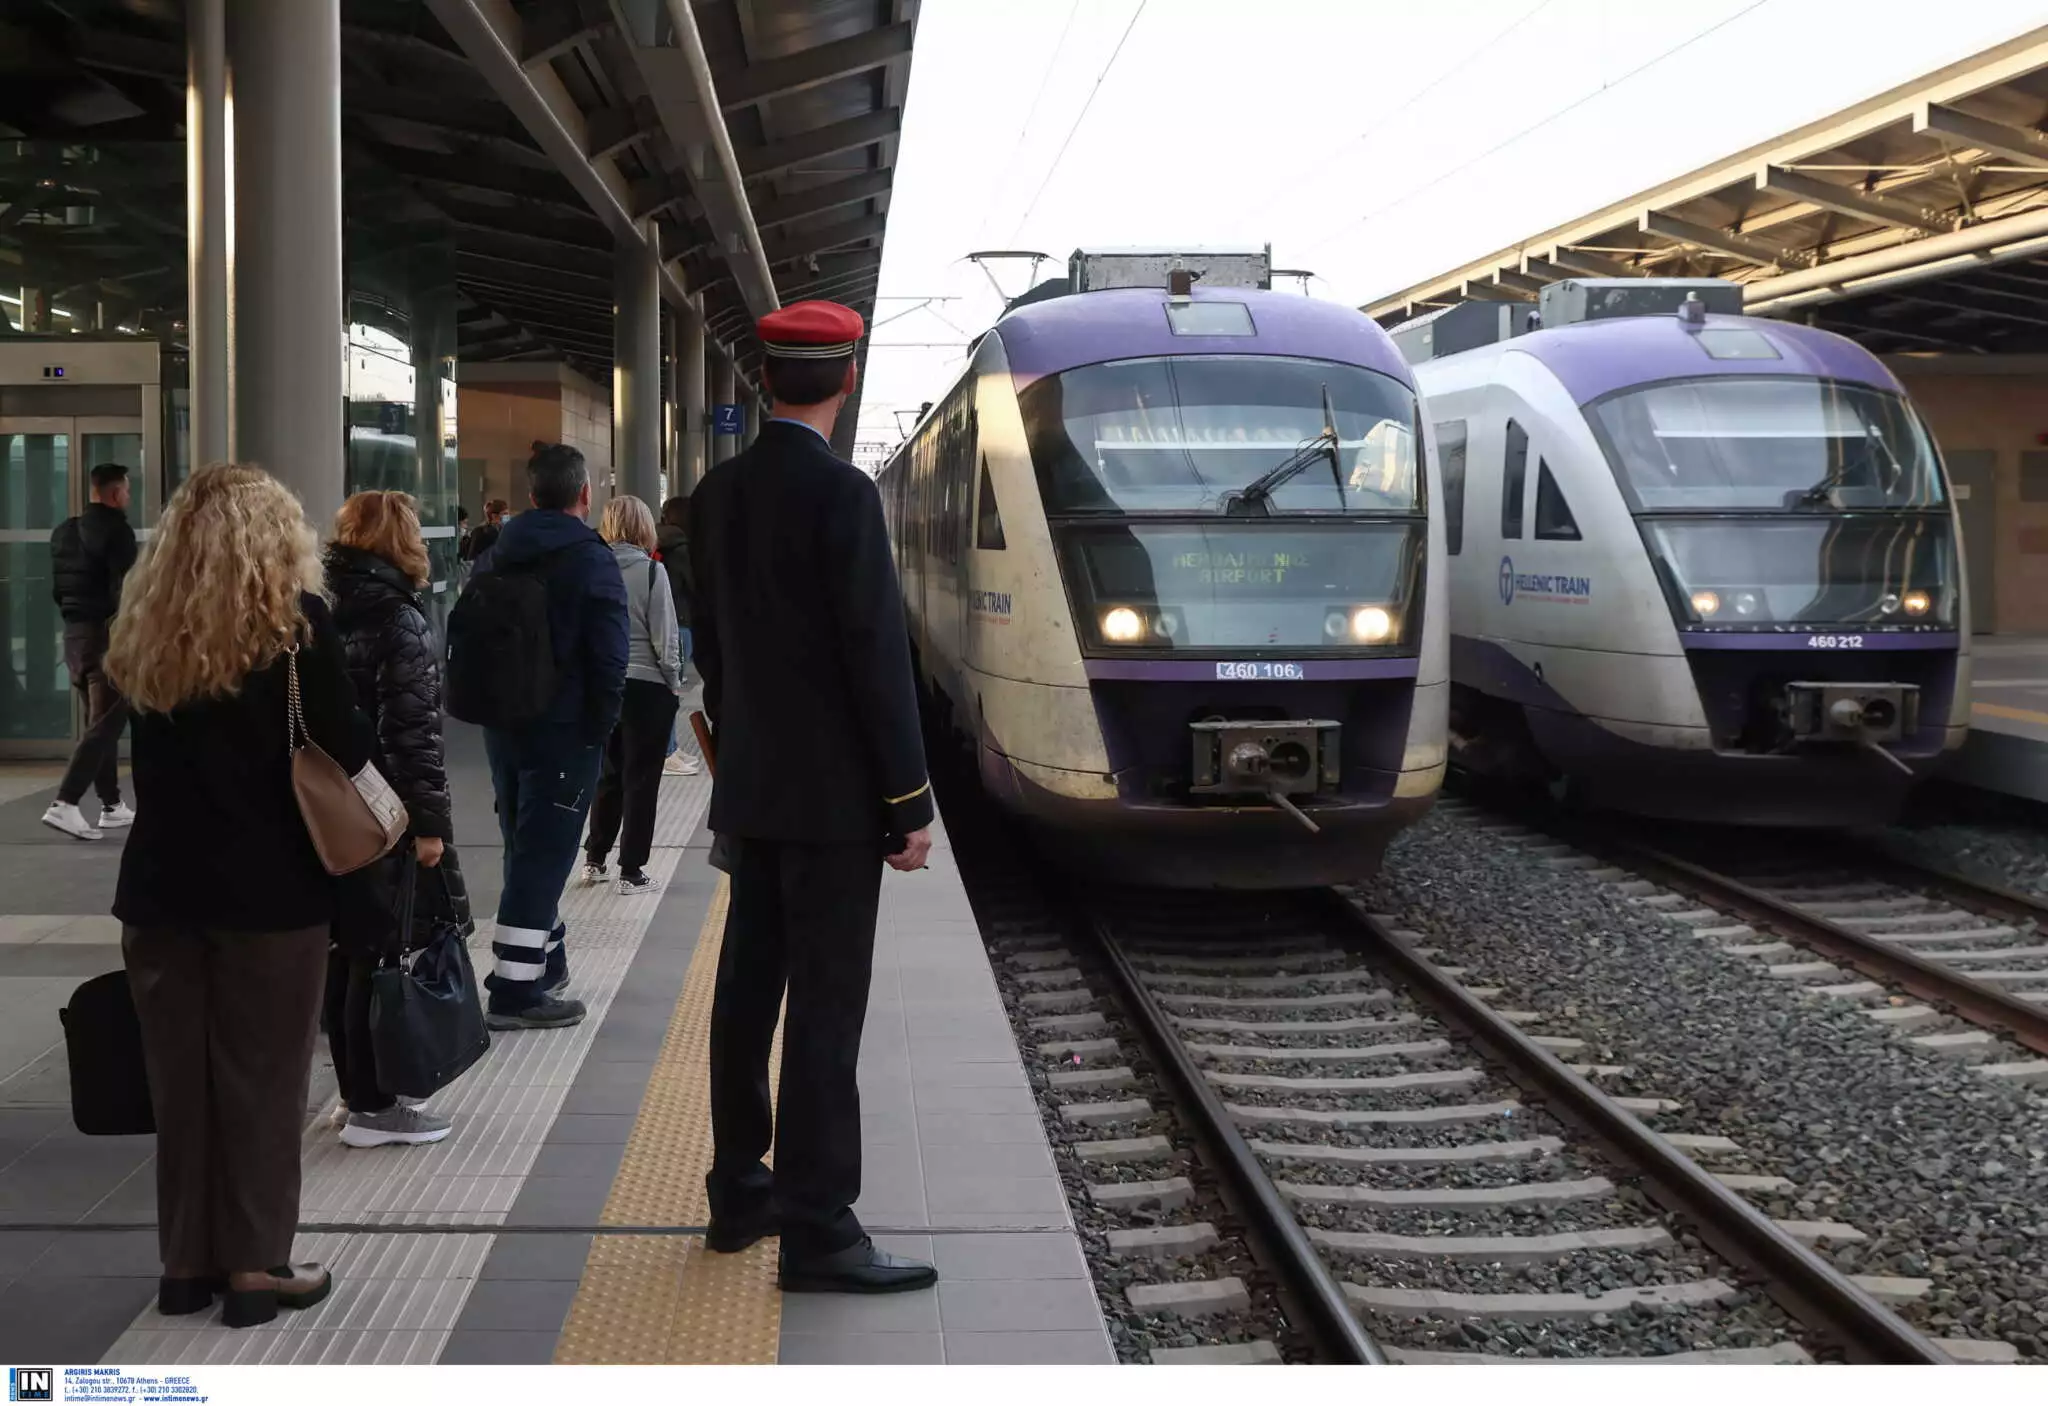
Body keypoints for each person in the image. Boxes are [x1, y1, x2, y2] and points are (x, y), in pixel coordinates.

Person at [691, 301, 937, 1294]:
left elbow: (711, 652)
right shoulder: (842, 499)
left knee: (745, 995)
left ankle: (738, 1189)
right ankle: (819, 1228)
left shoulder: (714, 496)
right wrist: (908, 802)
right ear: (844, 378)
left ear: (763, 377)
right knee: (825, 1011)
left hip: (750, 794)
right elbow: (875, 658)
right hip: (834, 808)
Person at [107, 463, 368, 1328]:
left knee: (180, 1084)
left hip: (158, 891)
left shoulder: (146, 629)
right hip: (271, 893)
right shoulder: (295, 629)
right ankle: (256, 1269)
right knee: (262, 1079)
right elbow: (348, 742)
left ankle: (185, 1266)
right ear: (278, 541)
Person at [324, 491, 470, 1148]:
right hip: (384, 811)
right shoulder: (399, 620)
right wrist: (430, 826)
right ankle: (374, 1106)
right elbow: (413, 735)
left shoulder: (322, 607)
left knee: (345, 950)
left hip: (330, 805)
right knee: (379, 952)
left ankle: (353, 1088)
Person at [469, 445, 627, 1030]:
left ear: (532, 496)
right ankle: (514, 992)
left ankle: (545, 959)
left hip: (502, 725)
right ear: (585, 495)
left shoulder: (497, 551)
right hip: (565, 732)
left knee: (523, 840)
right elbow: (610, 660)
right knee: (546, 852)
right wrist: (601, 727)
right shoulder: (591, 560)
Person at [584, 495, 682, 894]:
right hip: (647, 688)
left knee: (608, 775)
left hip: (604, 685)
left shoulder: (592, 571)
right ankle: (631, 871)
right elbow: (666, 639)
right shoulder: (653, 574)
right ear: (644, 527)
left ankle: (594, 859)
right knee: (642, 780)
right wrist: (673, 684)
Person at [42, 462, 139, 840]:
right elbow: (127, 592)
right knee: (107, 724)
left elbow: (58, 589)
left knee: (98, 722)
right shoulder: (118, 532)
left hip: (75, 637)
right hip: (108, 638)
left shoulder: (63, 533)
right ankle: (65, 802)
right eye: (127, 491)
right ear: (115, 494)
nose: (127, 497)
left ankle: (112, 805)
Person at [655, 496, 701, 777]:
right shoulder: (683, 549)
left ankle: (669, 747)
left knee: (668, 688)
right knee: (671, 689)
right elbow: (695, 588)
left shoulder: (659, 542)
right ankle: (667, 752)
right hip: (681, 623)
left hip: (664, 621)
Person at [462, 498, 506, 564]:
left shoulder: (504, 530)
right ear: (494, 516)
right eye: (504, 514)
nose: (507, 516)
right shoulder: (480, 532)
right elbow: (472, 556)